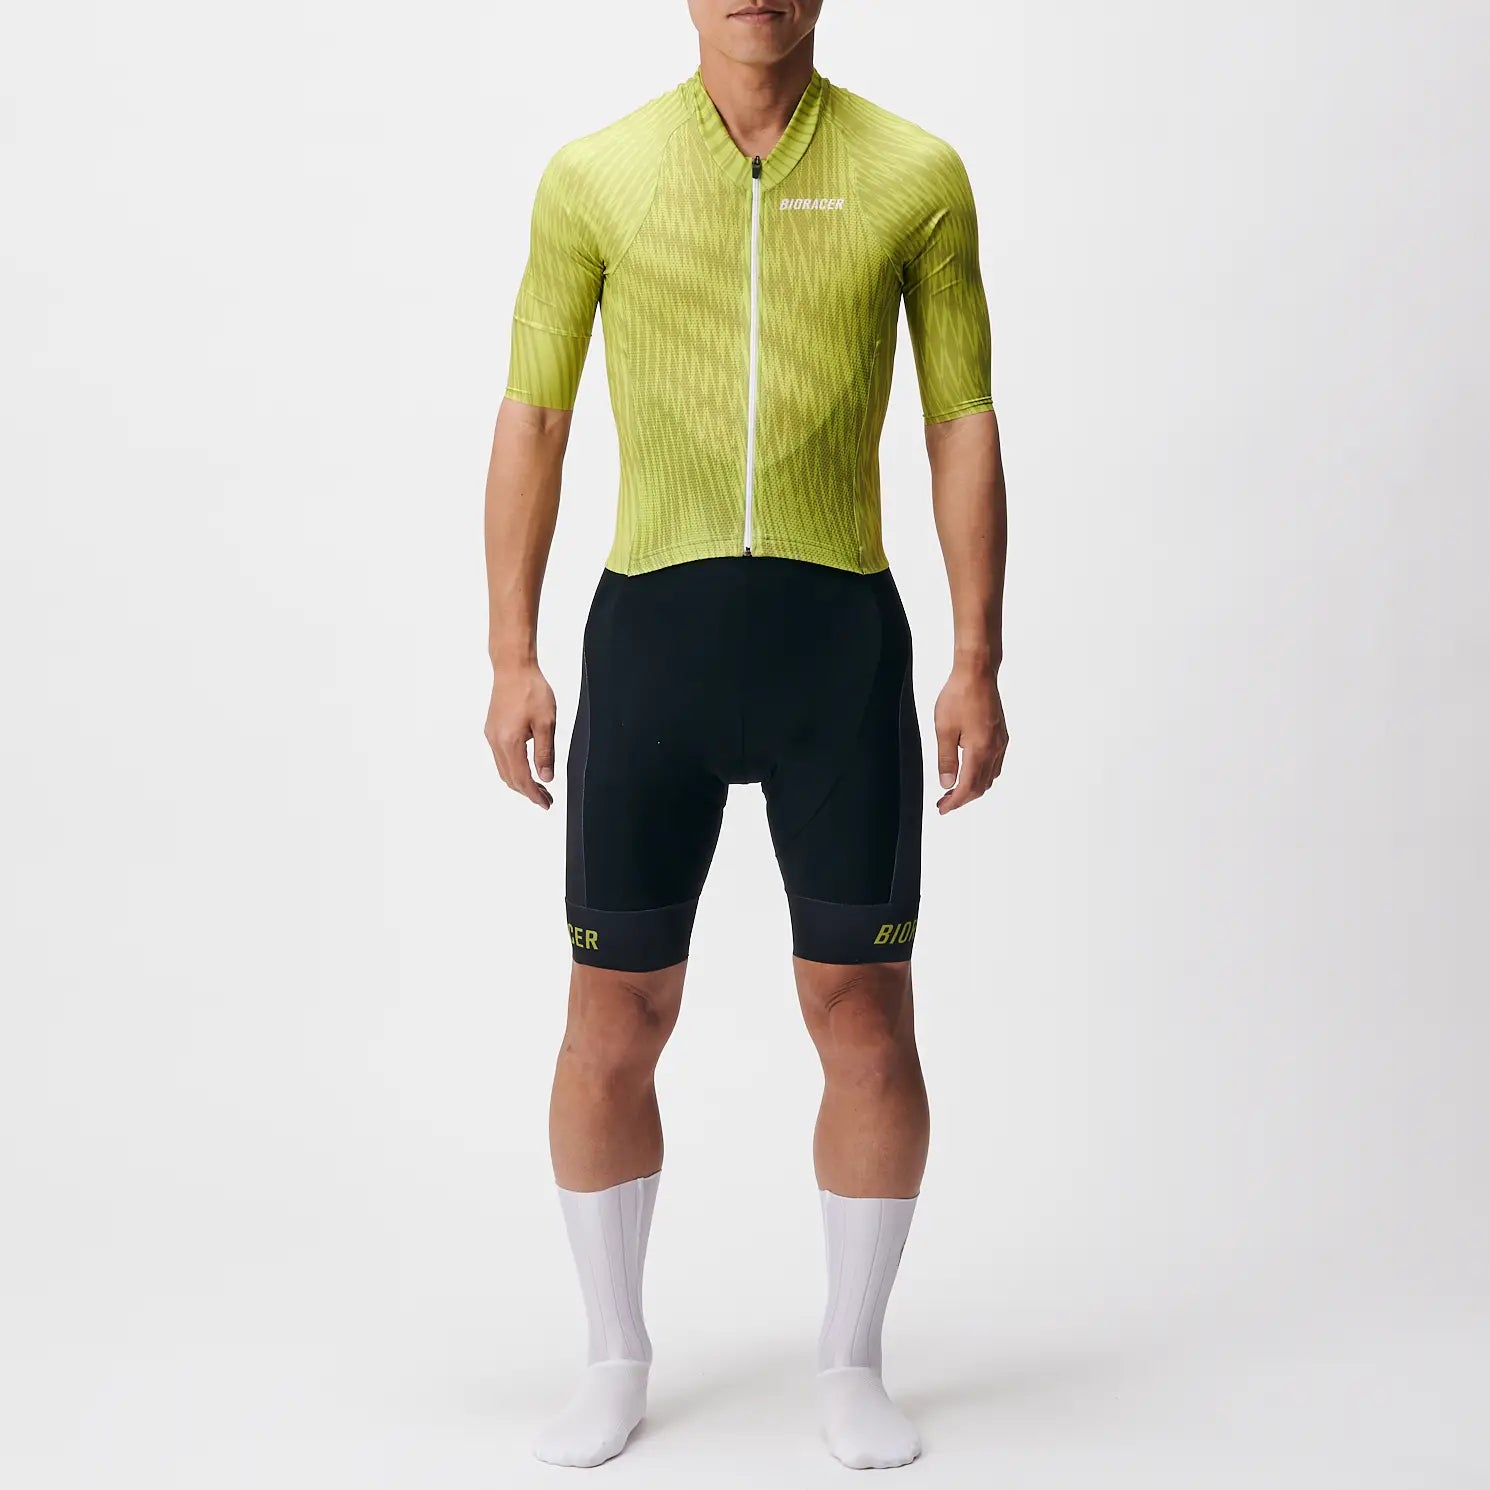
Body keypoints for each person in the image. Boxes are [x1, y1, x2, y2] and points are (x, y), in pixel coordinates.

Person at [482, 0, 1008, 1469]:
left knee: (864, 1014)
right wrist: (511, 654)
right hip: (650, 648)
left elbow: (961, 421)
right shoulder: (596, 174)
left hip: (838, 652)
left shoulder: (915, 173)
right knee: (610, 1019)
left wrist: (976, 658)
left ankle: (850, 1359)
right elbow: (534, 415)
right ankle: (612, 1355)